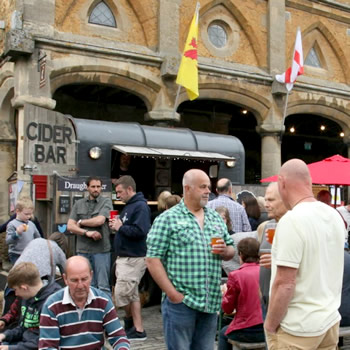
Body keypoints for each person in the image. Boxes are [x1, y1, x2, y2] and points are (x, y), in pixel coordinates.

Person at [146, 169, 235, 350]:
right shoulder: (168, 219)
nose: (207, 191)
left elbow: (231, 248)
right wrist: (172, 294)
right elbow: (152, 259)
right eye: (202, 187)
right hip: (182, 303)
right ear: (187, 189)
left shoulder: (215, 218)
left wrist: (226, 250)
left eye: (208, 187)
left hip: (210, 303)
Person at [264, 159, 345, 349]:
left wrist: (269, 324)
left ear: (282, 183)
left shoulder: (292, 220)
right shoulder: (334, 215)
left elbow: (285, 283)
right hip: (329, 319)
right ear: (309, 182)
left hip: (297, 327)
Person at [39, 256, 130, 350]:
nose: (80, 285)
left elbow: (118, 337)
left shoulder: (103, 301)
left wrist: (121, 348)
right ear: (65, 279)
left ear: (91, 276)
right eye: (74, 280)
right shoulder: (52, 306)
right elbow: (47, 347)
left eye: (84, 279)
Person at [109, 175, 150, 340]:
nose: (118, 195)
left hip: (133, 258)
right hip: (126, 257)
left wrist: (121, 227)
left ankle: (126, 322)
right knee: (131, 295)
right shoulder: (129, 206)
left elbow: (140, 231)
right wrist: (118, 227)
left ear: (130, 189)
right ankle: (138, 329)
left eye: (120, 192)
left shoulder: (140, 207)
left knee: (120, 294)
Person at [0, 233, 68, 330]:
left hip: (14, 280)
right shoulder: (58, 249)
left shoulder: (35, 241)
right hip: (33, 289)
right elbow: (67, 273)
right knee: (29, 324)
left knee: (8, 320)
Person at [67, 176, 113, 297]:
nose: (96, 189)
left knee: (103, 286)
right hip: (82, 250)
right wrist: (86, 233)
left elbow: (99, 221)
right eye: (93, 186)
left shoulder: (106, 202)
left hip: (101, 250)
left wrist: (81, 222)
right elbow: (70, 226)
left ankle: (106, 314)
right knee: (86, 285)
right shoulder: (79, 204)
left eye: (98, 186)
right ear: (87, 188)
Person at [0, 262, 61, 350]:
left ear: (24, 288)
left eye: (15, 290)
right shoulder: (27, 296)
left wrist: (12, 348)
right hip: (24, 342)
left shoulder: (51, 302)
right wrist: (5, 335)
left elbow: (44, 340)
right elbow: (24, 327)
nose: (16, 294)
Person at [219, 238, 265, 350]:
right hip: (265, 328)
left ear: (240, 254)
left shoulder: (236, 275)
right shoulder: (267, 271)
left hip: (245, 329)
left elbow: (228, 309)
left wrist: (225, 294)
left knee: (222, 333)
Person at [258, 182, 288, 312]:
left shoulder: (295, 227)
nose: (265, 205)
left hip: (286, 304)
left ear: (285, 200)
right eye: (265, 200)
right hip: (266, 302)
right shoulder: (266, 226)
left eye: (270, 200)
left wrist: (276, 261)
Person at [6, 198, 41, 264]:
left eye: (30, 214)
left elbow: (38, 238)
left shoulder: (31, 224)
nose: (29, 216)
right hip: (16, 254)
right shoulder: (12, 224)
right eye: (26, 214)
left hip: (29, 253)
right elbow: (8, 241)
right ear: (17, 211)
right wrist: (17, 233)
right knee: (19, 273)